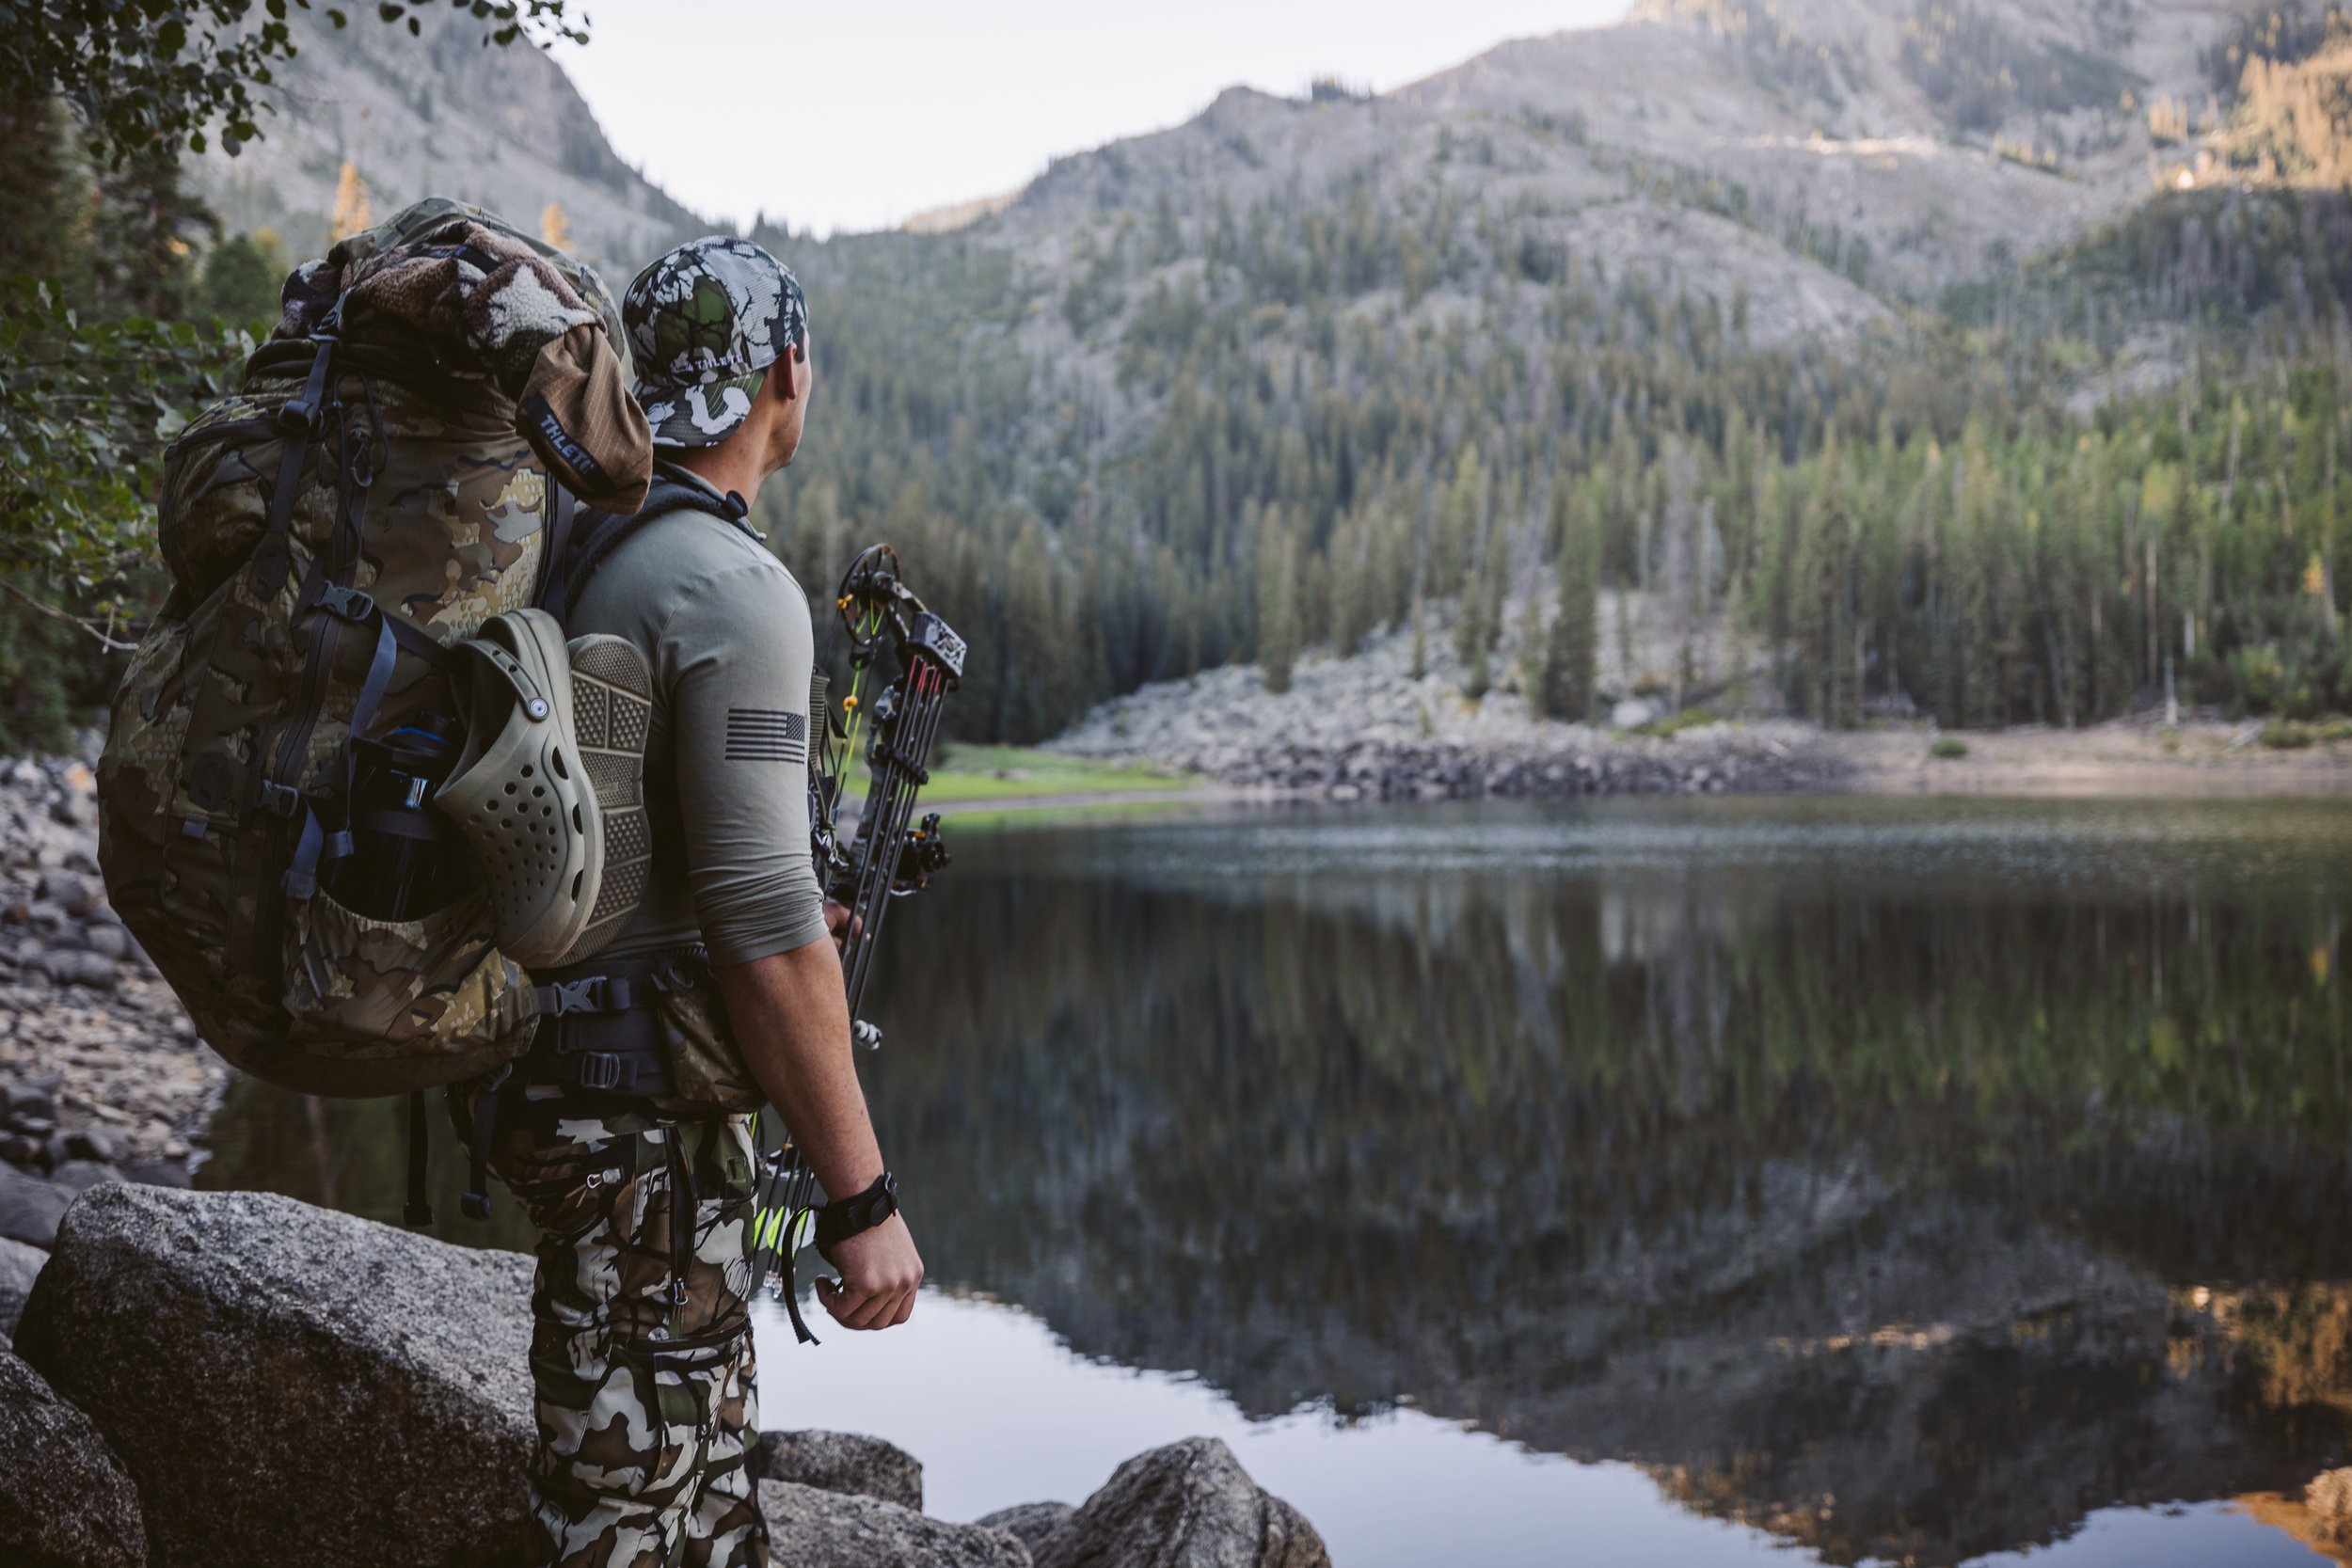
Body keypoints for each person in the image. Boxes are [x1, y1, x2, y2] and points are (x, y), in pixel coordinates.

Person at [455, 235, 924, 1568]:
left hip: (592, 1114)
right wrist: (861, 1201)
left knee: (697, 1515)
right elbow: (768, 929)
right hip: (639, 1142)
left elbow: (640, 849)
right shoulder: (728, 584)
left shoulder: (598, 547)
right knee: (625, 1523)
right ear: (790, 370)